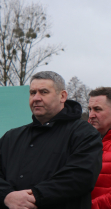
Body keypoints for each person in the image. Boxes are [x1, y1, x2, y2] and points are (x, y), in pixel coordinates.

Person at [0, 71, 103, 209]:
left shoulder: (84, 133)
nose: (36, 98)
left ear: (62, 96)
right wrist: (6, 195)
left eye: (43, 92)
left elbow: (81, 177)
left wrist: (34, 196)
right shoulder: (11, 136)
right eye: (32, 93)